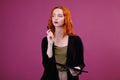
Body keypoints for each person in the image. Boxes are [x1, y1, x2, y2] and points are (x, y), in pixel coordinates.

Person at [41, 6, 85, 80]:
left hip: (69, 77)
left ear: (66, 19)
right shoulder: (46, 40)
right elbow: (46, 64)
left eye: (60, 16)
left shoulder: (76, 40)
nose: (55, 18)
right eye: (53, 15)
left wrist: (77, 69)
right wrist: (50, 43)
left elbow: (81, 63)